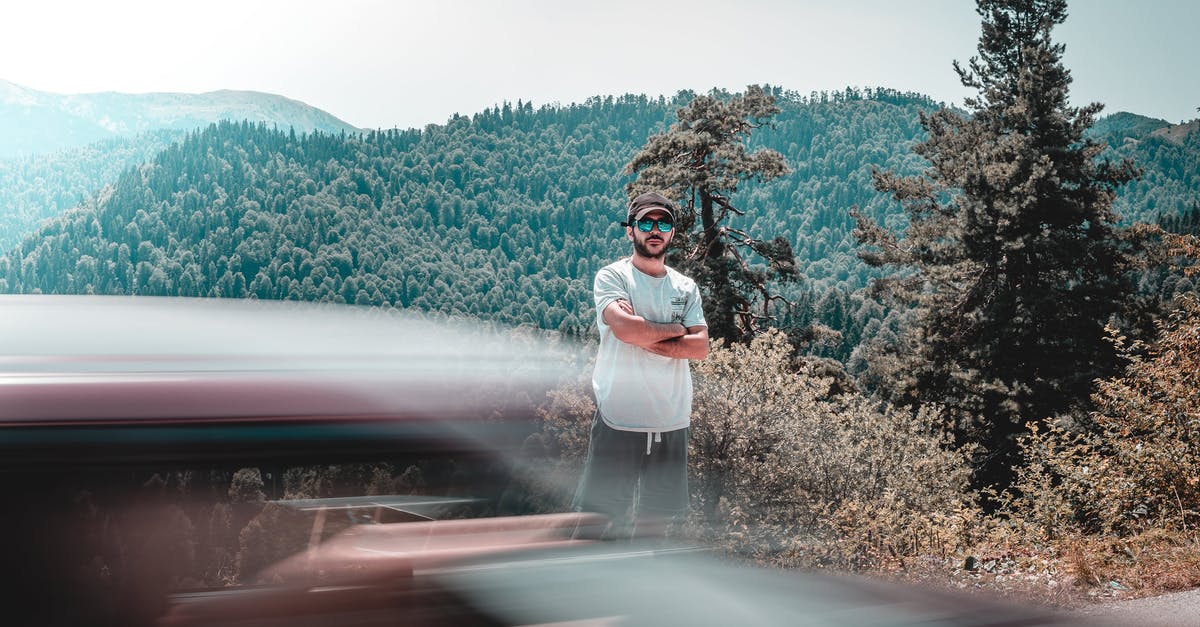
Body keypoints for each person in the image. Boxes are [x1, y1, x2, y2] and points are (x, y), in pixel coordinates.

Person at [573, 191, 709, 539]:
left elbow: (700, 348)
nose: (655, 230)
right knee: (595, 525)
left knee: (655, 531)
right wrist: (678, 329)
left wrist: (647, 333)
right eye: (645, 222)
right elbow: (626, 329)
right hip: (619, 418)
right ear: (630, 230)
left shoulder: (685, 286)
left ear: (672, 233)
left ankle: (637, 593)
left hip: (672, 420)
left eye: (663, 223)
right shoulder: (613, 277)